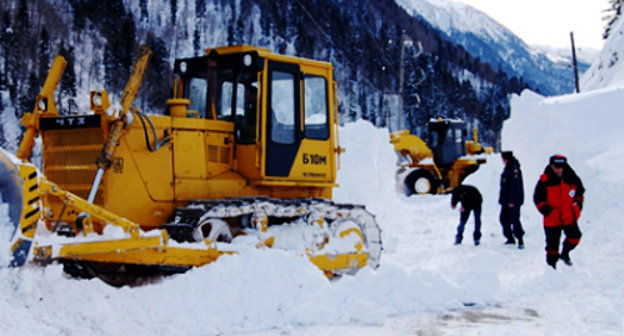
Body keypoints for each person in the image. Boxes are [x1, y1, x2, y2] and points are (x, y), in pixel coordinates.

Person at [533, 154, 585, 269]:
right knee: (552, 247)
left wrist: (577, 207)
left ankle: (565, 253)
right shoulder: (545, 180)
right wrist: (547, 211)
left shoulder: (572, 178)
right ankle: (552, 268)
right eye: (556, 166)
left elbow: (580, 194)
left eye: (561, 166)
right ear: (551, 165)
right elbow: (538, 198)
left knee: (575, 237)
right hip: (552, 219)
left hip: (568, 216)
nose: (559, 169)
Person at [499, 151, 525, 249]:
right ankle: (510, 238)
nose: (503, 161)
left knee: (515, 220)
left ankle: (520, 239)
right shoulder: (507, 169)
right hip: (506, 201)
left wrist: (513, 201)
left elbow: (516, 187)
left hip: (513, 201)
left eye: (504, 159)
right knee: (504, 219)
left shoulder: (514, 170)